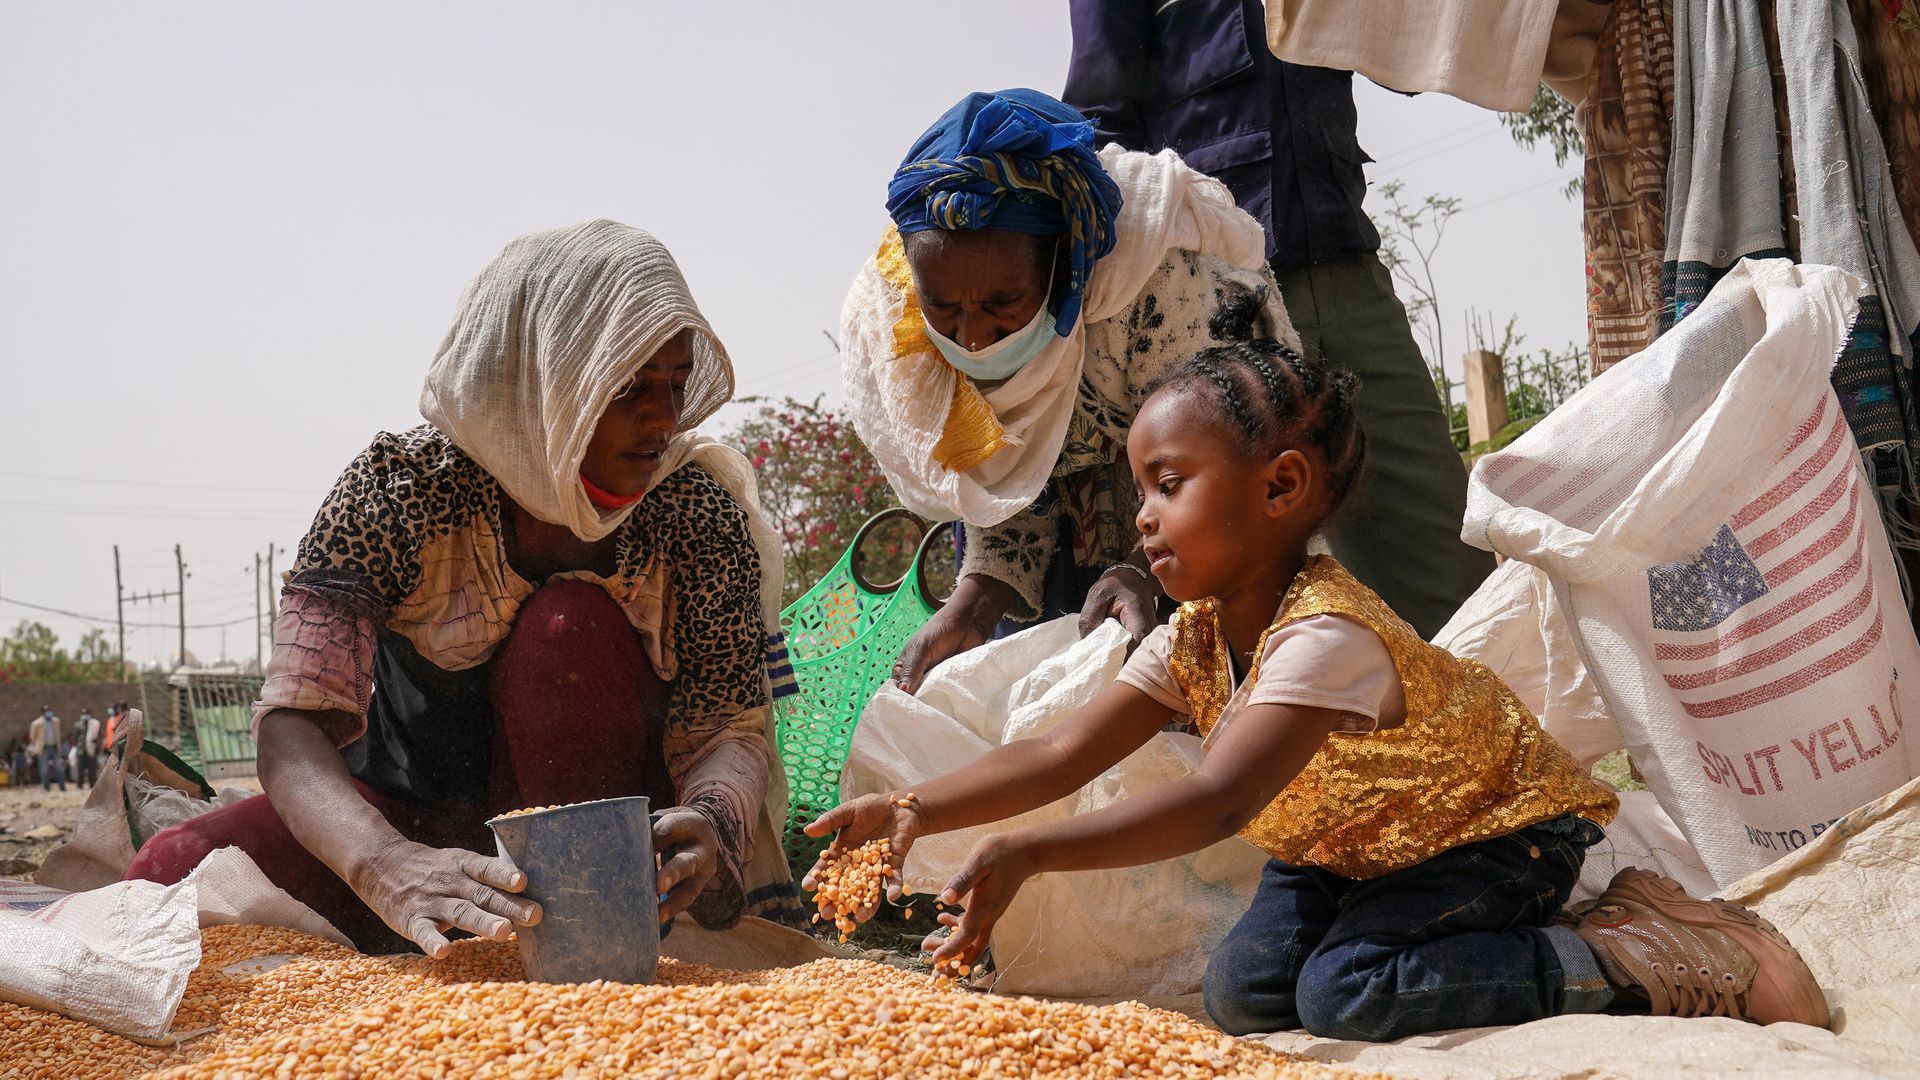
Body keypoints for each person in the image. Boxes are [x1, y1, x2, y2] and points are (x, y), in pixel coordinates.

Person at [808, 331, 1829, 1038]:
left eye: (1169, 485)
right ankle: (1569, 933)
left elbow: (1219, 801)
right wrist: (907, 806)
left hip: (1486, 833)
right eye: (1139, 493)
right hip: (1348, 846)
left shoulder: (1325, 636)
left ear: (1281, 487)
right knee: (1248, 995)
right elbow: (1062, 751)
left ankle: (1633, 955)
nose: (1143, 520)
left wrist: (1028, 851)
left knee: (1348, 995)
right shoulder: (1199, 637)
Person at [125, 220, 805, 955]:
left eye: (674, 384)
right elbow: (295, 724)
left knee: (565, 627)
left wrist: (708, 819)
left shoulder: (693, 515)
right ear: (547, 382)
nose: (663, 418)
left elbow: (728, 728)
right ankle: (446, 916)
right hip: (410, 820)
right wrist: (385, 864)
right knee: (167, 873)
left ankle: (579, 933)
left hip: (603, 844)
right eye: (629, 386)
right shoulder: (399, 492)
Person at [842, 88, 1300, 692]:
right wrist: (973, 605)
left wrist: (1142, 572)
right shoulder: (914, 335)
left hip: (1218, 549)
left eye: (1003, 304)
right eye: (946, 308)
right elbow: (1008, 487)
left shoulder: (1156, 287)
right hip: (1077, 575)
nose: (973, 337)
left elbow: (1230, 463)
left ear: (1064, 264)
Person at [1062, 0, 1494, 639]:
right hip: (1210, 301)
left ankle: (1471, 726)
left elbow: (1411, 46)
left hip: (1341, 263)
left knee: (1448, 568)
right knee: (1232, 591)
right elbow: (1100, 127)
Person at [28, 707, 64, 793]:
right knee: (44, 769)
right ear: (43, 712)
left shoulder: (56, 721)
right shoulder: (36, 723)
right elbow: (33, 737)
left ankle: (62, 787)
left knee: (59, 767)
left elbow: (58, 733)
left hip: (55, 747)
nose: (49, 712)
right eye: (47, 711)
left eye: (50, 711)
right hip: (43, 748)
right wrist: (39, 744)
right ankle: (46, 787)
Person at [76, 707, 102, 789]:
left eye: (86, 713)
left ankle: (92, 785)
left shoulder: (94, 724)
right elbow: (74, 737)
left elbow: (100, 735)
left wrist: (96, 742)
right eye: (84, 714)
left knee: (92, 770)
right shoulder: (78, 725)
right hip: (81, 750)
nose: (85, 715)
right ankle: (79, 786)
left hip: (91, 750)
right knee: (80, 769)